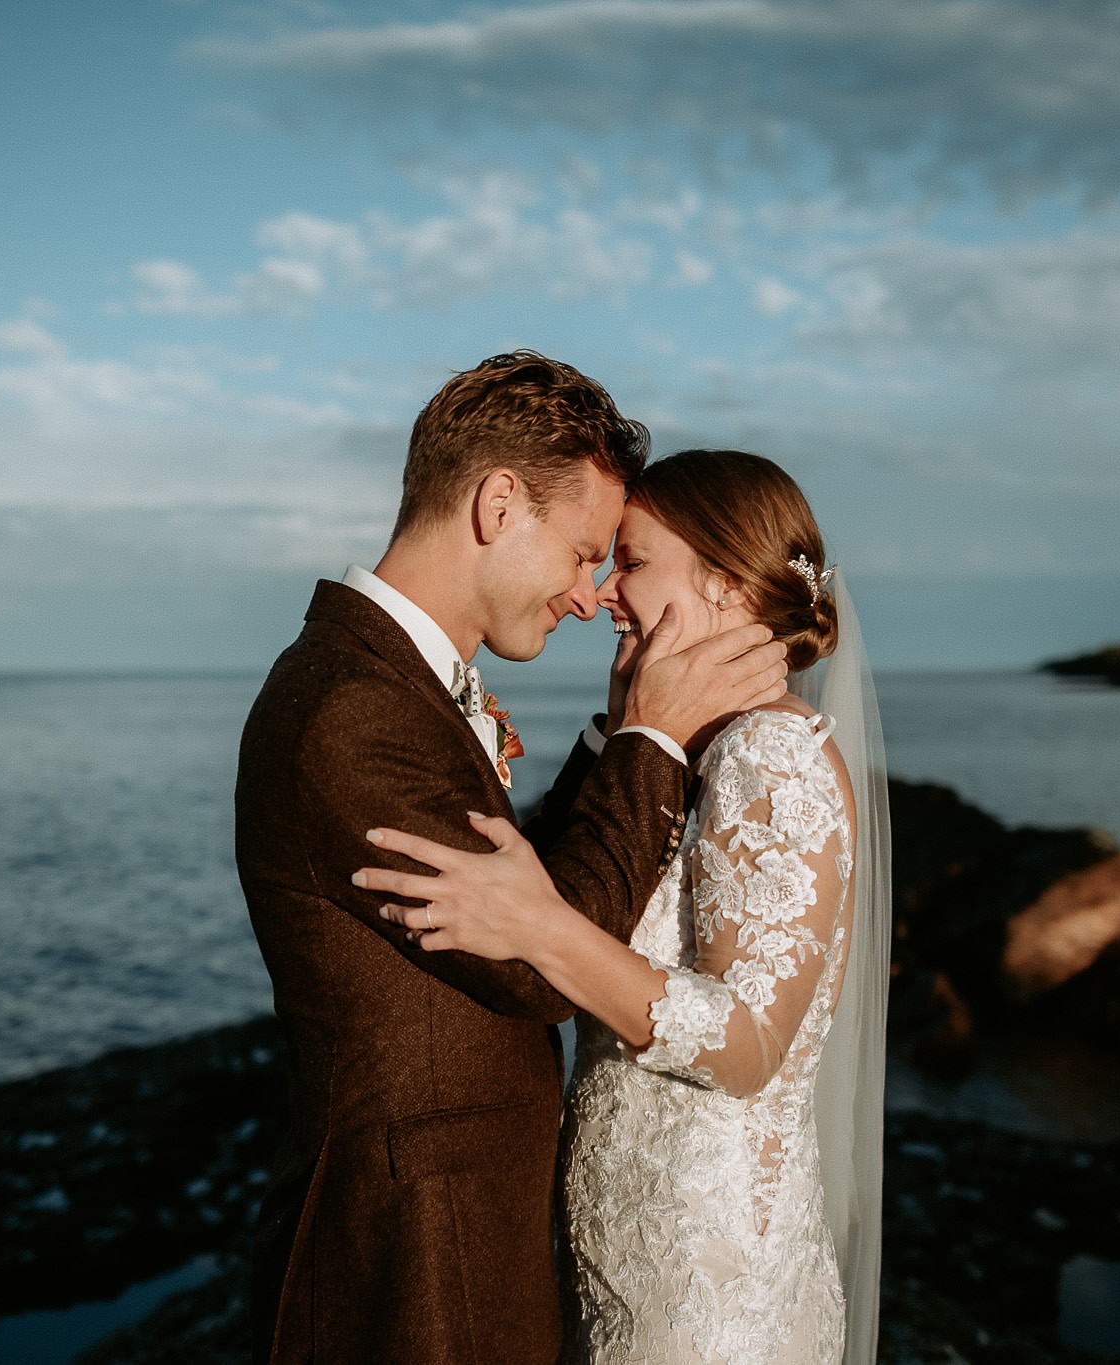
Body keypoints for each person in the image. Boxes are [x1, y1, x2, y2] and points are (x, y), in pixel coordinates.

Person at [235, 357, 791, 1364]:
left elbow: (509, 886)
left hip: (461, 1231)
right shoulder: (350, 709)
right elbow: (533, 960)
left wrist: (614, 735)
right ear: (499, 504)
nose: (590, 599)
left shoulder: (385, 681)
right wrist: (652, 743)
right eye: (583, 554)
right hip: (416, 1261)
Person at [361, 449, 892, 1365]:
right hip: (631, 1251)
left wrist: (538, 925)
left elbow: (749, 1045)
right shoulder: (708, 750)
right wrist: (623, 735)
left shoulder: (773, 756)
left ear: (725, 585)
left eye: (634, 563)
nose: (606, 592)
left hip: (705, 1277)